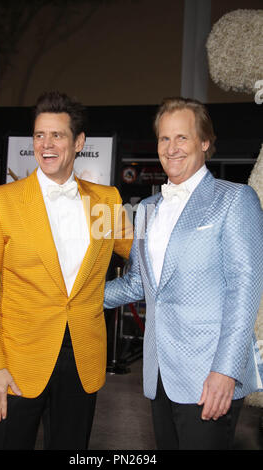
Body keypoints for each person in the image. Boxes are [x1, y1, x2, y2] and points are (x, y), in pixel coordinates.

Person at [0, 91, 132, 450]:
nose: (46, 144)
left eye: (57, 134)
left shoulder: (106, 201)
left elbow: (142, 254)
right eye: (40, 135)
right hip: (16, 364)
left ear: (79, 142)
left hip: (82, 361)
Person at [104, 97, 263, 450]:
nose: (171, 148)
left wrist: (225, 371)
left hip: (210, 375)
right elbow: (137, 283)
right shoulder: (146, 209)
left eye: (182, 138)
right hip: (160, 373)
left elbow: (245, 288)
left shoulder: (235, 199)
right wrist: (71, 296)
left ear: (204, 143)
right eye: (164, 139)